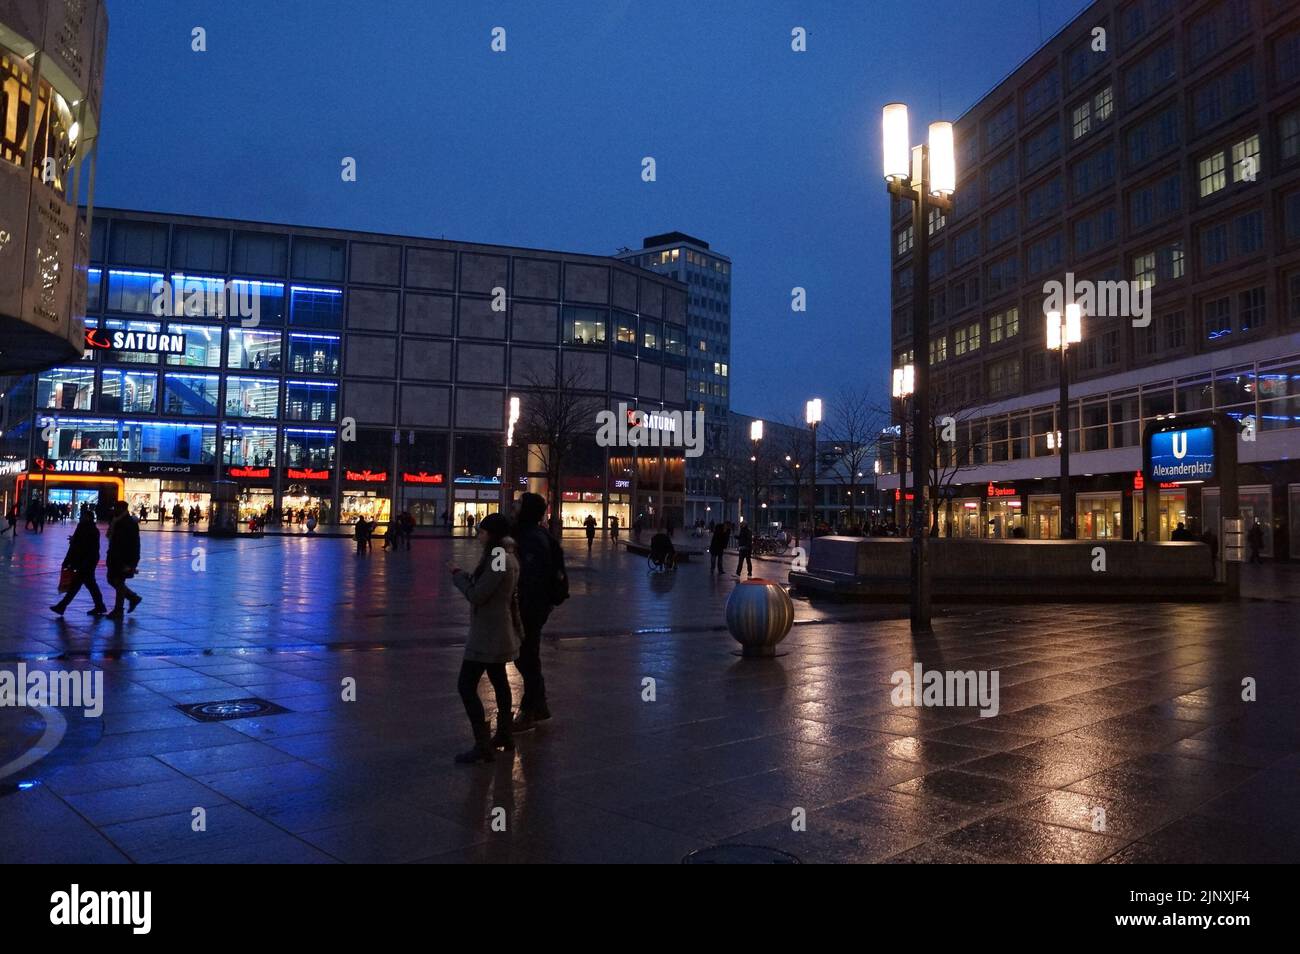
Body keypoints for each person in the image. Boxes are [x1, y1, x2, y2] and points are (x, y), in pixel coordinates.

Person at [448, 512, 521, 763]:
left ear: (491, 534)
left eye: (481, 531)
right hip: (497, 630)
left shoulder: (499, 557)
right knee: (499, 680)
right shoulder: (504, 556)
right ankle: (504, 735)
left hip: (488, 634)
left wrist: (458, 578)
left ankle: (483, 744)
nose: (478, 535)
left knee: (465, 685)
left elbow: (479, 595)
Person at [512, 492, 564, 732]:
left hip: (530, 606)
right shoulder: (538, 534)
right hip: (537, 604)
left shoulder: (530, 537)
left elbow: (531, 577)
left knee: (526, 658)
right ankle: (539, 706)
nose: (515, 506)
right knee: (528, 656)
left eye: (519, 504)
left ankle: (529, 710)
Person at [51, 510, 108, 616]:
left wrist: (70, 558)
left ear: (88, 517)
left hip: (85, 561)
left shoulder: (87, 529)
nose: (81, 517)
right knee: (89, 584)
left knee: (77, 585)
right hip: (87, 560)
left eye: (83, 515)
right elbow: (80, 544)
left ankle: (62, 606)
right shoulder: (87, 528)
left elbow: (82, 546)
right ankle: (99, 605)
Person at [104, 501, 142, 619]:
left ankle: (118, 610)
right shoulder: (117, 521)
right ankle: (133, 598)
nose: (114, 510)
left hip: (123, 558)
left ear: (122, 508)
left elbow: (133, 544)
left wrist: (131, 562)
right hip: (115, 556)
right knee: (111, 580)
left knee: (118, 582)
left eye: (116, 508)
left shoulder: (128, 523)